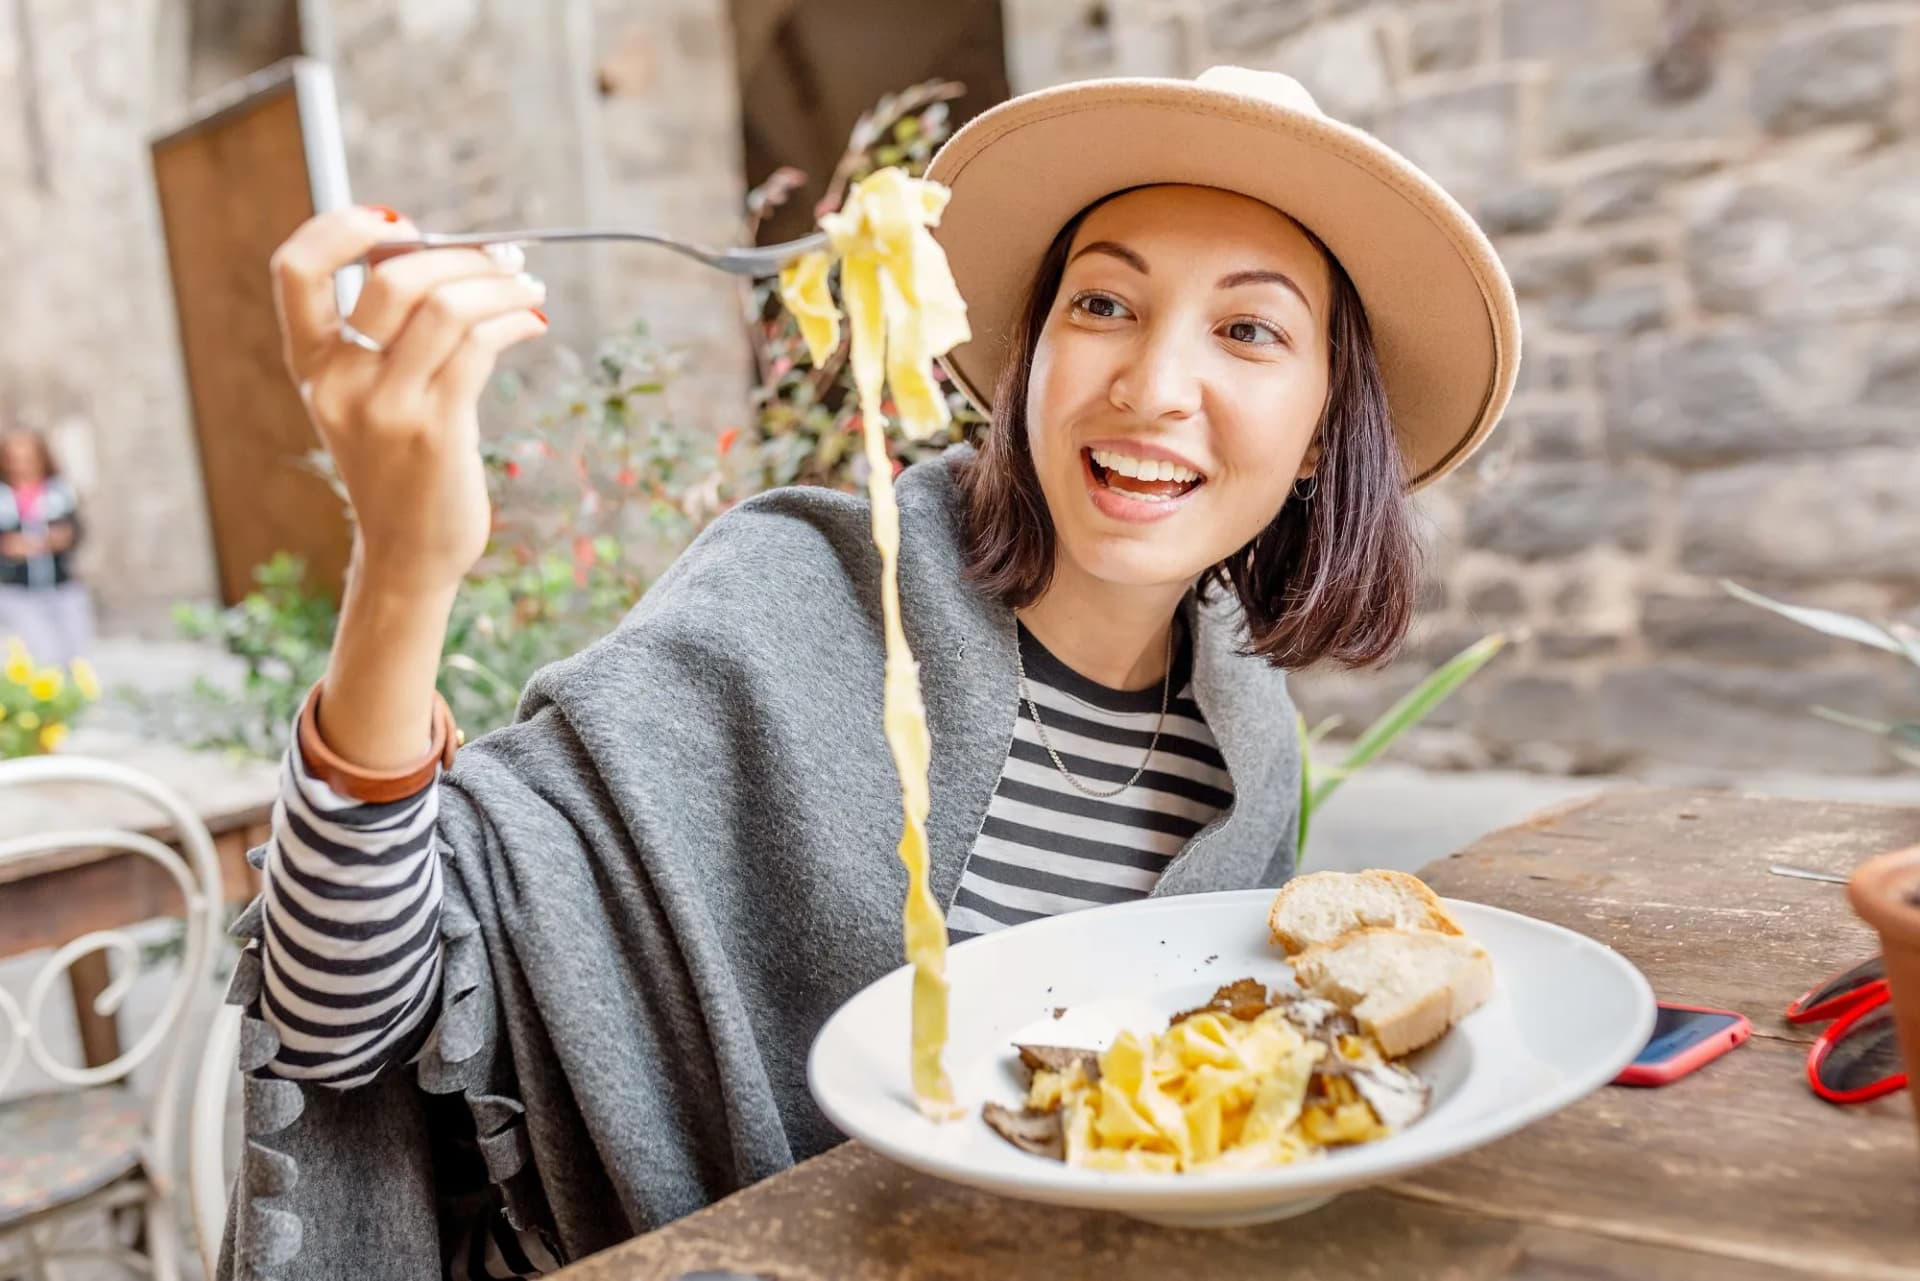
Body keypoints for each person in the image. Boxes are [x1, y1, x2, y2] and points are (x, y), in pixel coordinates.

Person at [220, 66, 1518, 1279]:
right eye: (1104, 304)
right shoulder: (788, 604)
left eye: (1247, 330)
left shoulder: (1244, 748)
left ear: (1317, 439)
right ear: (1022, 365)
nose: (1155, 382)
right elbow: (344, 1014)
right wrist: (406, 561)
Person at [0, 427, 92, 667]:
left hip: (61, 585)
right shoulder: (3, 496)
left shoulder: (59, 491)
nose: (21, 466)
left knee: (77, 655)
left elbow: (77, 530)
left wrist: (64, 538)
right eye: (14, 459)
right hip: (19, 590)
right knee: (43, 654)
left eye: (28, 458)